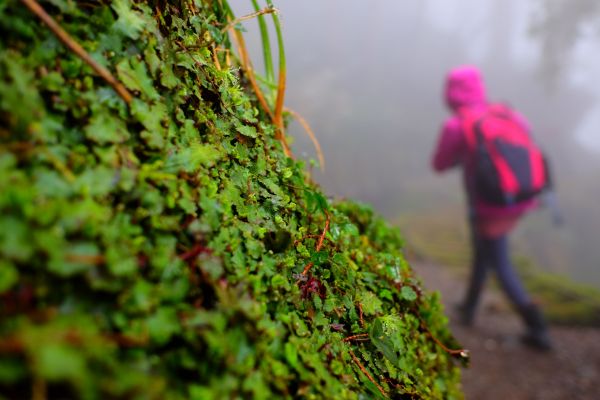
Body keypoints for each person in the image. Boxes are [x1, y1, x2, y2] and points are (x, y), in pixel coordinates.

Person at [431, 65, 553, 351]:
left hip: (489, 203)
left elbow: (439, 164)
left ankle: (537, 326)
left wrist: (462, 156)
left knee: (498, 260)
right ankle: (469, 307)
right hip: (520, 197)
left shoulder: (456, 125)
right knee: (483, 251)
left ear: (450, 94)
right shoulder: (507, 114)